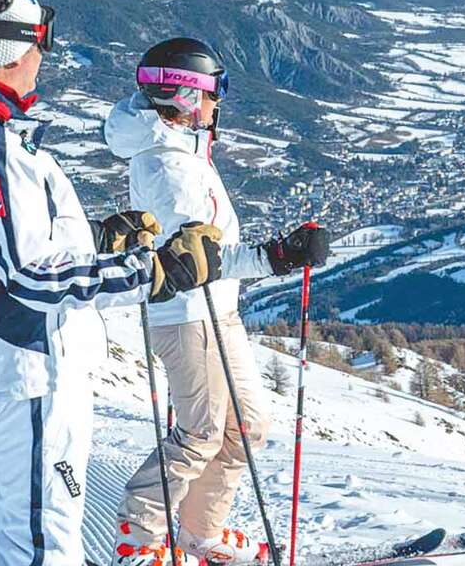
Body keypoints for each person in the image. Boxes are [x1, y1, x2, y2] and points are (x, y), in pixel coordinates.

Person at [0, 0, 222, 566]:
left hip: (21, 361)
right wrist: (153, 272)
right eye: (42, 42)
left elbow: (12, 241)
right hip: (25, 364)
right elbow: (25, 276)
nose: (43, 60)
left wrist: (101, 243)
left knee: (16, 534)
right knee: (40, 544)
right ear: (16, 50)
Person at [104, 38, 329, 566]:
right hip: (187, 315)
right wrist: (276, 256)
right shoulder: (169, 168)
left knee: (245, 426)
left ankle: (200, 534)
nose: (217, 103)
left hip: (216, 311)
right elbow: (197, 262)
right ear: (185, 98)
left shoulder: (181, 147)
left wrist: (278, 254)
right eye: (212, 92)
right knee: (200, 432)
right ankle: (139, 542)